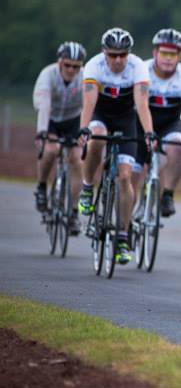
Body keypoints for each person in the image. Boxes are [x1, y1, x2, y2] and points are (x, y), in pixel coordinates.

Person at [77, 28, 154, 264]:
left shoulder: (138, 66)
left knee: (124, 177)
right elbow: (89, 102)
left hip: (126, 119)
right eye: (113, 55)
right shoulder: (94, 66)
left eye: (123, 55)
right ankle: (88, 187)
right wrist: (84, 128)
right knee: (96, 137)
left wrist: (149, 132)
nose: (118, 60)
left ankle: (122, 235)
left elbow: (141, 103)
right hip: (101, 114)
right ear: (104, 53)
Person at [136, 29, 181, 217]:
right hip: (140, 123)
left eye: (173, 54)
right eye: (164, 53)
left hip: (170, 123)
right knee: (130, 172)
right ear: (155, 53)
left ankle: (168, 194)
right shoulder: (142, 71)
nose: (168, 59)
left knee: (179, 146)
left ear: (179, 56)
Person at [33, 41, 86, 232]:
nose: (72, 70)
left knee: (78, 161)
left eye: (76, 66)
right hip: (52, 119)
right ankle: (41, 188)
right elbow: (44, 105)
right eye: (68, 65)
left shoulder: (85, 78)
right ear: (59, 62)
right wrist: (42, 133)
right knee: (51, 149)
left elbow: (89, 105)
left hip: (73, 120)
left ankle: (73, 213)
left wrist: (86, 131)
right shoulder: (48, 75)